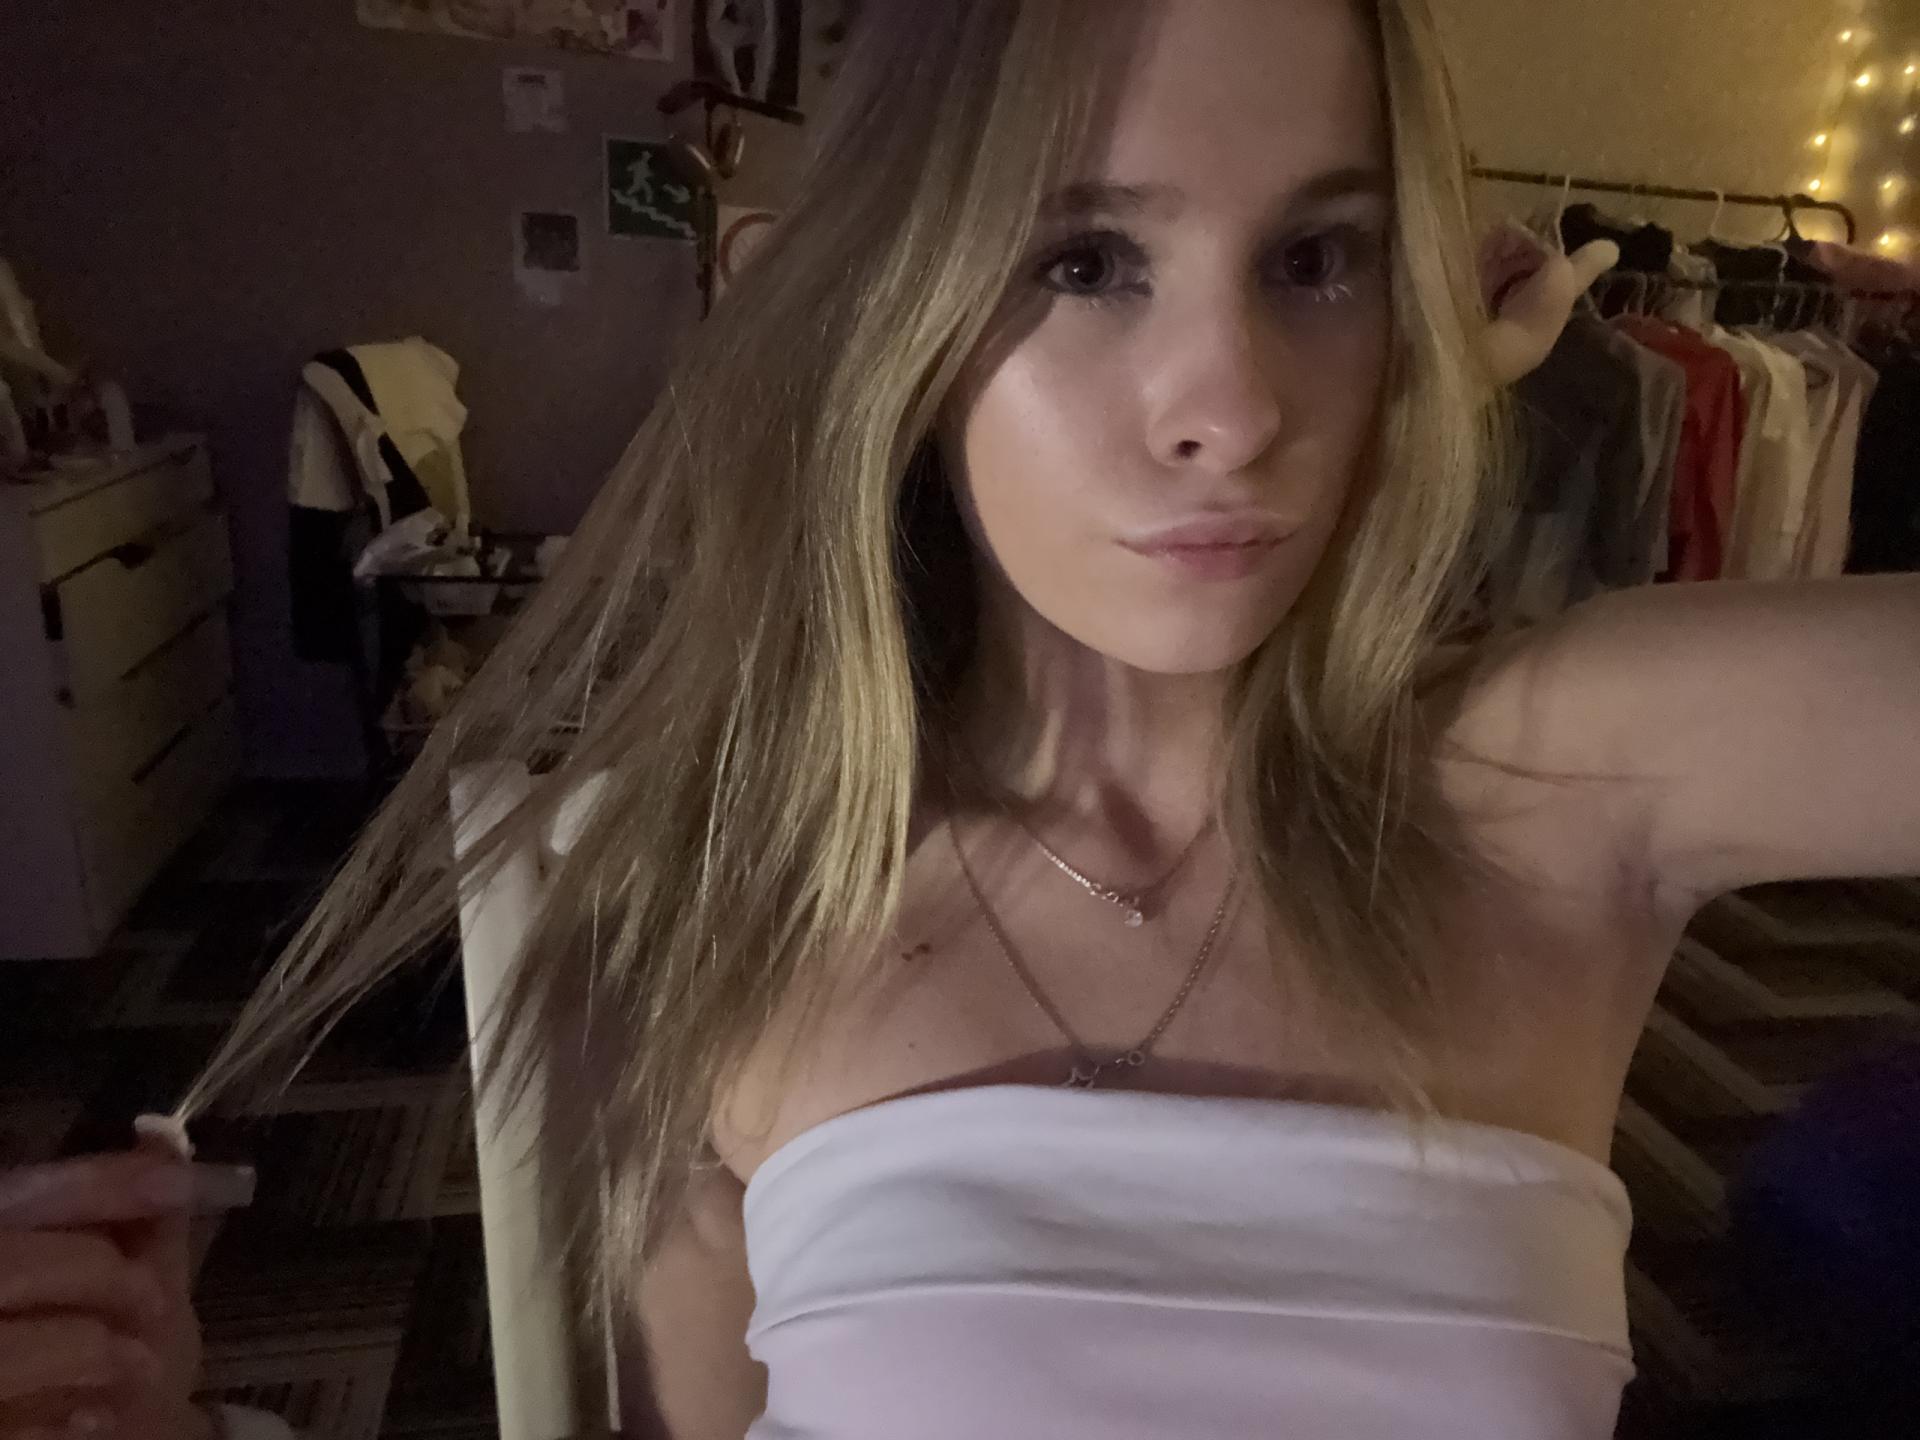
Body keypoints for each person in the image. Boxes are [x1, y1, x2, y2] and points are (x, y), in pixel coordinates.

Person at [10, 1, 1918, 1436]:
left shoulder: (1561, 771)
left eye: (1317, 259)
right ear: (876, 322)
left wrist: (1436, 390)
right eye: (1082, 262)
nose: (1234, 406)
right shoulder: (721, 914)